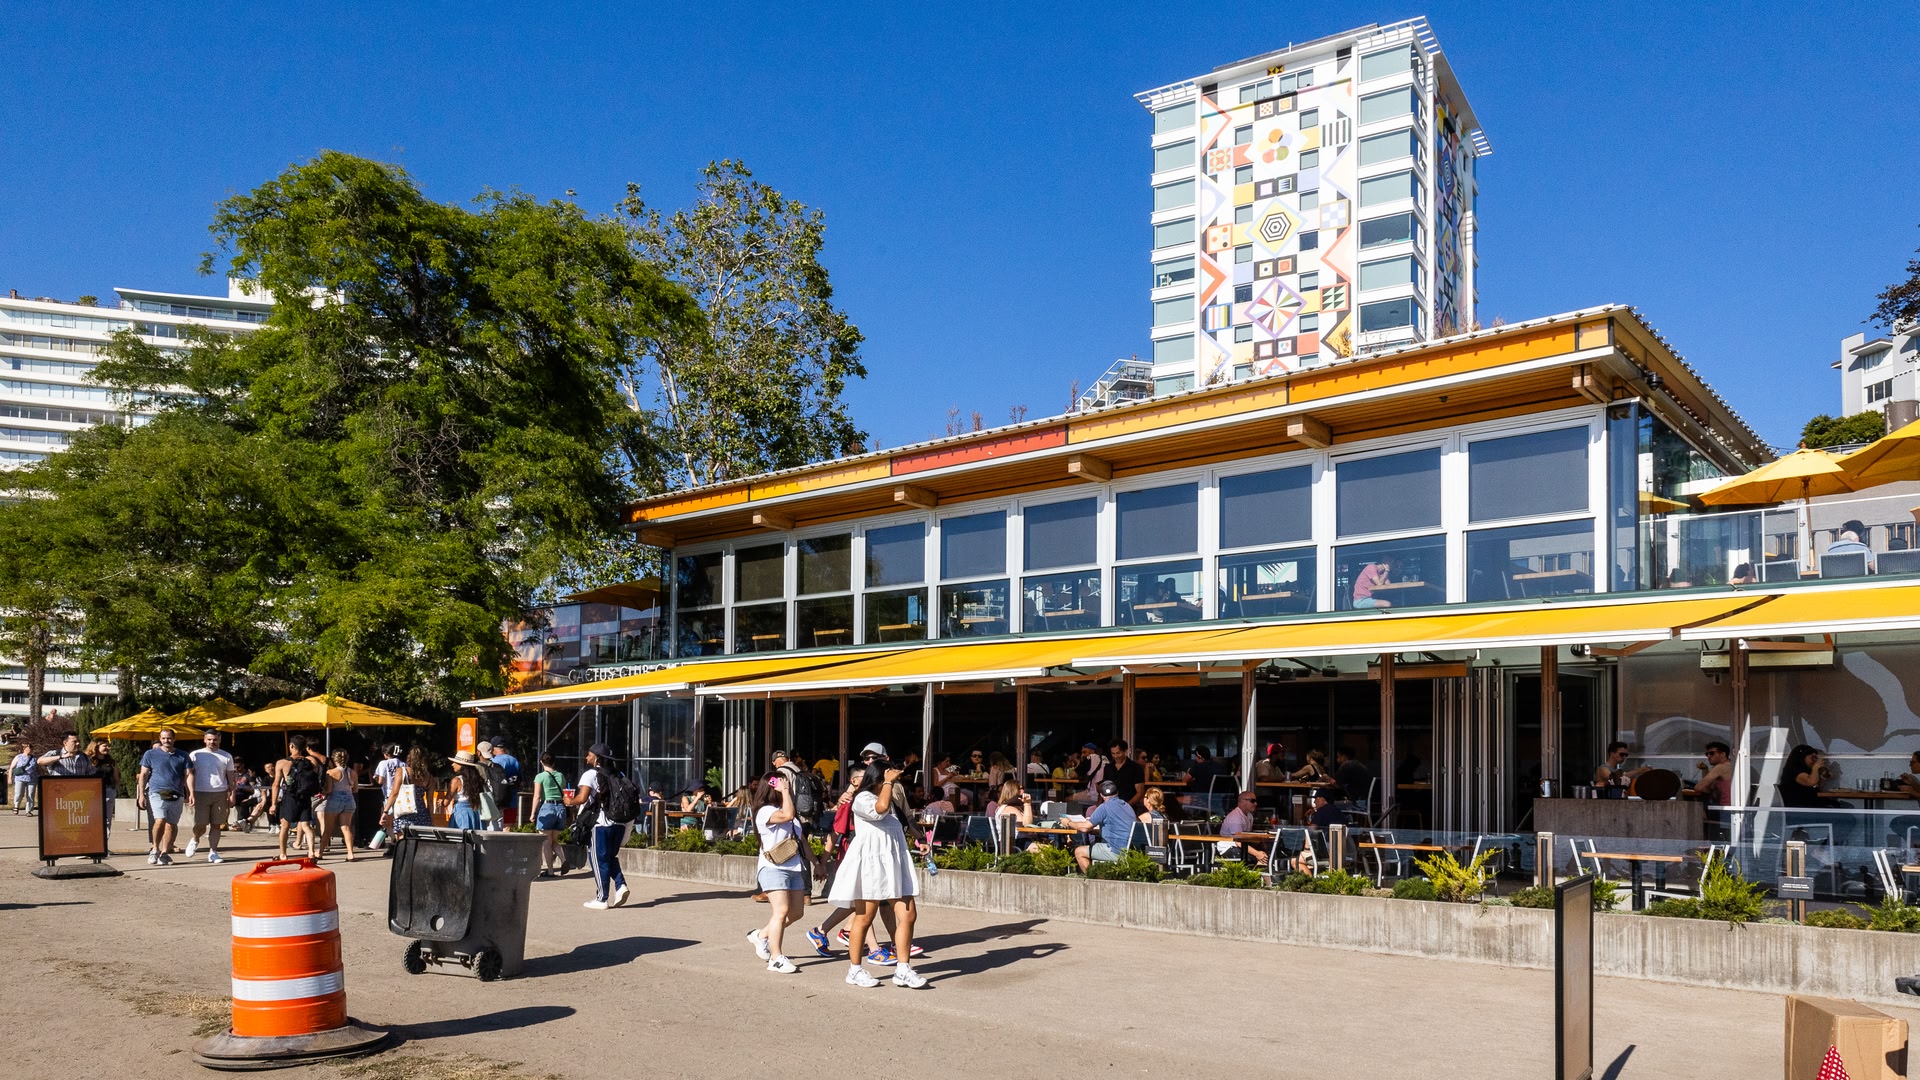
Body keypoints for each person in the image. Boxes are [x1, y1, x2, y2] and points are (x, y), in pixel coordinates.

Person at [826, 757, 926, 989]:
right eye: (888, 777)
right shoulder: (862, 798)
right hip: (871, 867)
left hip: (894, 866)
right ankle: (855, 969)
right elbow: (879, 810)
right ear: (879, 777)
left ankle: (903, 969)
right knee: (864, 918)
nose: (893, 781)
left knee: (908, 915)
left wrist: (920, 839)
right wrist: (889, 783)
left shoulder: (890, 800)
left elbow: (896, 824)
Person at [746, 770, 807, 974]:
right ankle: (776, 958)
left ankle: (761, 935)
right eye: (780, 782)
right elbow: (788, 815)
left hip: (794, 867)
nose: (785, 785)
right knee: (780, 912)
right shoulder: (764, 811)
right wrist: (785, 791)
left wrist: (818, 862)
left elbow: (800, 840)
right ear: (771, 786)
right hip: (773, 868)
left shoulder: (785, 807)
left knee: (796, 912)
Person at [564, 742, 631, 910]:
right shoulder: (619, 774)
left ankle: (602, 899)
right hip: (620, 823)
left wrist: (569, 801)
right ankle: (620, 885)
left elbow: (582, 798)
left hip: (600, 823)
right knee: (609, 857)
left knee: (597, 860)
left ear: (596, 758)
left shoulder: (590, 774)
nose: (586, 757)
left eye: (589, 754)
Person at [137, 728, 191, 867]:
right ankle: (155, 848)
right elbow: (143, 774)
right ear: (160, 739)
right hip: (156, 792)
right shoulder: (150, 754)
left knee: (172, 824)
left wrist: (190, 793)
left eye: (169, 738)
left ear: (174, 739)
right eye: (163, 738)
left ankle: (165, 853)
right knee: (160, 820)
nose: (166, 741)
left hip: (176, 793)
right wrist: (141, 795)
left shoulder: (183, 755)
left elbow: (188, 775)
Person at [270, 735, 326, 861]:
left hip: (290, 797)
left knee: (285, 825)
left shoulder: (283, 763)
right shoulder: (311, 761)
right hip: (305, 797)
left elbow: (276, 784)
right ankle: (311, 852)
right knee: (306, 825)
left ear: (291, 746)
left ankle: (283, 854)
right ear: (305, 747)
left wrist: (273, 804)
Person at [185, 729, 236, 864]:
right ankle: (195, 839)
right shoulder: (196, 755)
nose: (212, 742)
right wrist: (190, 792)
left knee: (216, 824)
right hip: (201, 792)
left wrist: (232, 794)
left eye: (215, 739)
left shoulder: (226, 756)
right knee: (201, 823)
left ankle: (213, 852)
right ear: (204, 739)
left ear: (219, 740)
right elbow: (189, 775)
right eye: (209, 739)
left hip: (220, 792)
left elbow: (231, 777)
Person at [1067, 779, 1136, 871]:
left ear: (1101, 795)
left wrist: (1068, 822)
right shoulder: (1127, 806)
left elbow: (1084, 828)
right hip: (1130, 849)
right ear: (1117, 792)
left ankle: (1092, 879)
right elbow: (1117, 828)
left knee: (1079, 851)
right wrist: (1096, 831)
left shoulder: (1104, 807)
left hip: (1115, 850)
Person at [381, 745, 433, 842]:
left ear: (409, 757)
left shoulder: (402, 771)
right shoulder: (429, 777)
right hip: (422, 815)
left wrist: (385, 811)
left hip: (404, 813)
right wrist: (431, 819)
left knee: (403, 844)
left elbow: (394, 793)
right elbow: (430, 801)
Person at [319, 749, 359, 861]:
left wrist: (323, 791)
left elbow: (329, 790)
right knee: (346, 828)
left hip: (335, 800)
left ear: (334, 759)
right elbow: (355, 789)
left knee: (328, 829)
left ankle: (320, 852)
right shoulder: (353, 773)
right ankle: (350, 853)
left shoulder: (331, 773)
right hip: (349, 800)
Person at [533, 753, 568, 876]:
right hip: (560, 808)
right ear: (553, 762)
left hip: (546, 807)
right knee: (554, 841)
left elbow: (537, 796)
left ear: (541, 762)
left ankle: (551, 871)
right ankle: (563, 859)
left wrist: (532, 813)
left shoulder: (540, 777)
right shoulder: (560, 776)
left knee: (546, 843)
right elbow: (563, 789)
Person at [1216, 789, 1268, 867]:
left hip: (1241, 846)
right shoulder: (1236, 817)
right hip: (1229, 848)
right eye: (1252, 801)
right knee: (1258, 859)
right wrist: (1257, 854)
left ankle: (1260, 877)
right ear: (1242, 801)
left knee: (1266, 857)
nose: (1256, 803)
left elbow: (1246, 837)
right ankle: (1253, 877)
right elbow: (1238, 841)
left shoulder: (1249, 816)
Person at [369, 744, 405, 849]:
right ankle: (396, 841)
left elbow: (380, 781)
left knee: (387, 822)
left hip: (388, 795)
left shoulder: (383, 763)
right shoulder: (403, 764)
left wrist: (374, 777)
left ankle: (394, 842)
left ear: (386, 754)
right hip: (401, 795)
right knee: (397, 821)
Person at [85, 738, 118, 845]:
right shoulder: (88, 760)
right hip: (92, 793)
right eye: (105, 745)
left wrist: (114, 788)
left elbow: (116, 776)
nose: (108, 748)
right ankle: (90, 845)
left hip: (108, 791)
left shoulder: (111, 761)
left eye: (108, 746)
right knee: (91, 819)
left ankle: (104, 845)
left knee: (106, 820)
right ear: (96, 746)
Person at [473, 741, 506, 830]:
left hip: (484, 805)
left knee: (484, 833)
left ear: (478, 752)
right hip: (499, 803)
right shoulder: (498, 767)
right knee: (498, 830)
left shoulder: (476, 768)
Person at [488, 739, 521, 825]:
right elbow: (520, 780)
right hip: (512, 799)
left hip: (498, 801)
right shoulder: (514, 760)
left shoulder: (494, 761)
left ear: (493, 748)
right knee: (508, 827)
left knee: (495, 827)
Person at [447, 750, 483, 830]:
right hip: (474, 813)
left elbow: (446, 802)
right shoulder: (476, 780)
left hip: (461, 813)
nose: (453, 764)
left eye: (456, 762)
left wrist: (441, 802)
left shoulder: (456, 780)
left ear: (462, 765)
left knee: (460, 838)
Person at [1108, 739, 1145, 806]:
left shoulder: (1135, 768)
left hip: (1129, 807)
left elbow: (1140, 792)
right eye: (1113, 753)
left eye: (1118, 753)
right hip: (1110, 806)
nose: (1115, 756)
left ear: (1125, 751)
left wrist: (1126, 806)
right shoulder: (1108, 768)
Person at [9, 741, 36, 814]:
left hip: (32, 779)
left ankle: (29, 810)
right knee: (19, 793)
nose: (30, 750)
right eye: (28, 748)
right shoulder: (19, 757)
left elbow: (37, 768)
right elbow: (12, 767)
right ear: (24, 749)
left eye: (31, 748)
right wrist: (10, 777)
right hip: (20, 778)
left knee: (30, 794)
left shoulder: (34, 758)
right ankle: (16, 806)